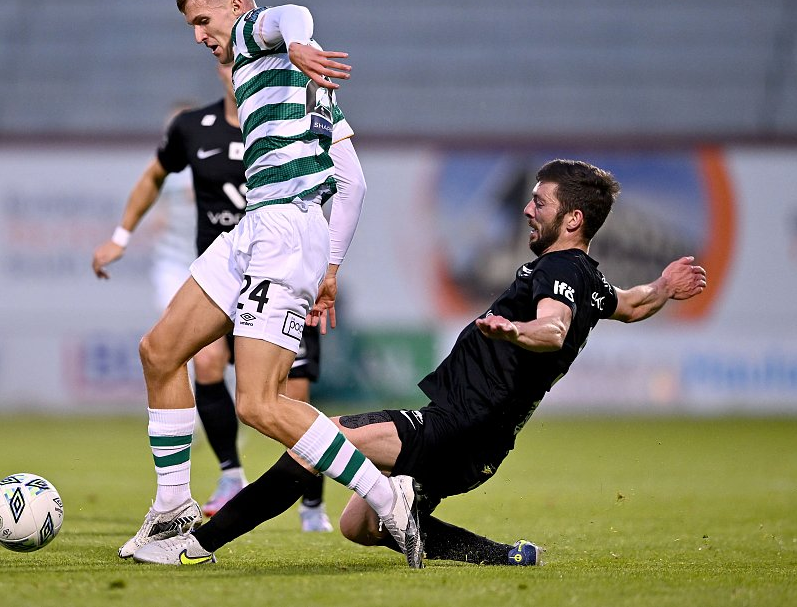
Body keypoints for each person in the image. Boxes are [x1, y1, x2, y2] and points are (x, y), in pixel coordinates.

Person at [131, 158, 708, 566]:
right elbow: (631, 305)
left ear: (573, 219)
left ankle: (195, 546)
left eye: (540, 202)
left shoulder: (559, 271)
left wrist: (516, 329)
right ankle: (503, 557)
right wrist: (662, 286)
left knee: (317, 443)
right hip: (483, 446)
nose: (528, 209)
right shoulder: (591, 279)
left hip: (457, 425)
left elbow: (553, 329)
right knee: (360, 526)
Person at [114, 0, 425, 568]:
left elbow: (290, 14)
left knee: (257, 403)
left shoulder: (255, 37)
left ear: (235, 5)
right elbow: (353, 183)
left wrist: (300, 41)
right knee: (160, 351)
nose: (200, 37)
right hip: (261, 227)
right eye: (192, 27)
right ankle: (172, 508)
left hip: (282, 232)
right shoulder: (305, 81)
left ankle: (387, 494)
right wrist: (330, 267)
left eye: (202, 21)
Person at [91, 62, 333, 533]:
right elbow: (153, 176)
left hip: (280, 270)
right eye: (225, 59)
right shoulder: (191, 127)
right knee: (200, 360)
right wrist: (121, 236)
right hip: (222, 272)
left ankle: (313, 504)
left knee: (289, 394)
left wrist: (328, 265)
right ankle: (229, 475)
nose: (231, 65)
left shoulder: (289, 122)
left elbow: (330, 189)